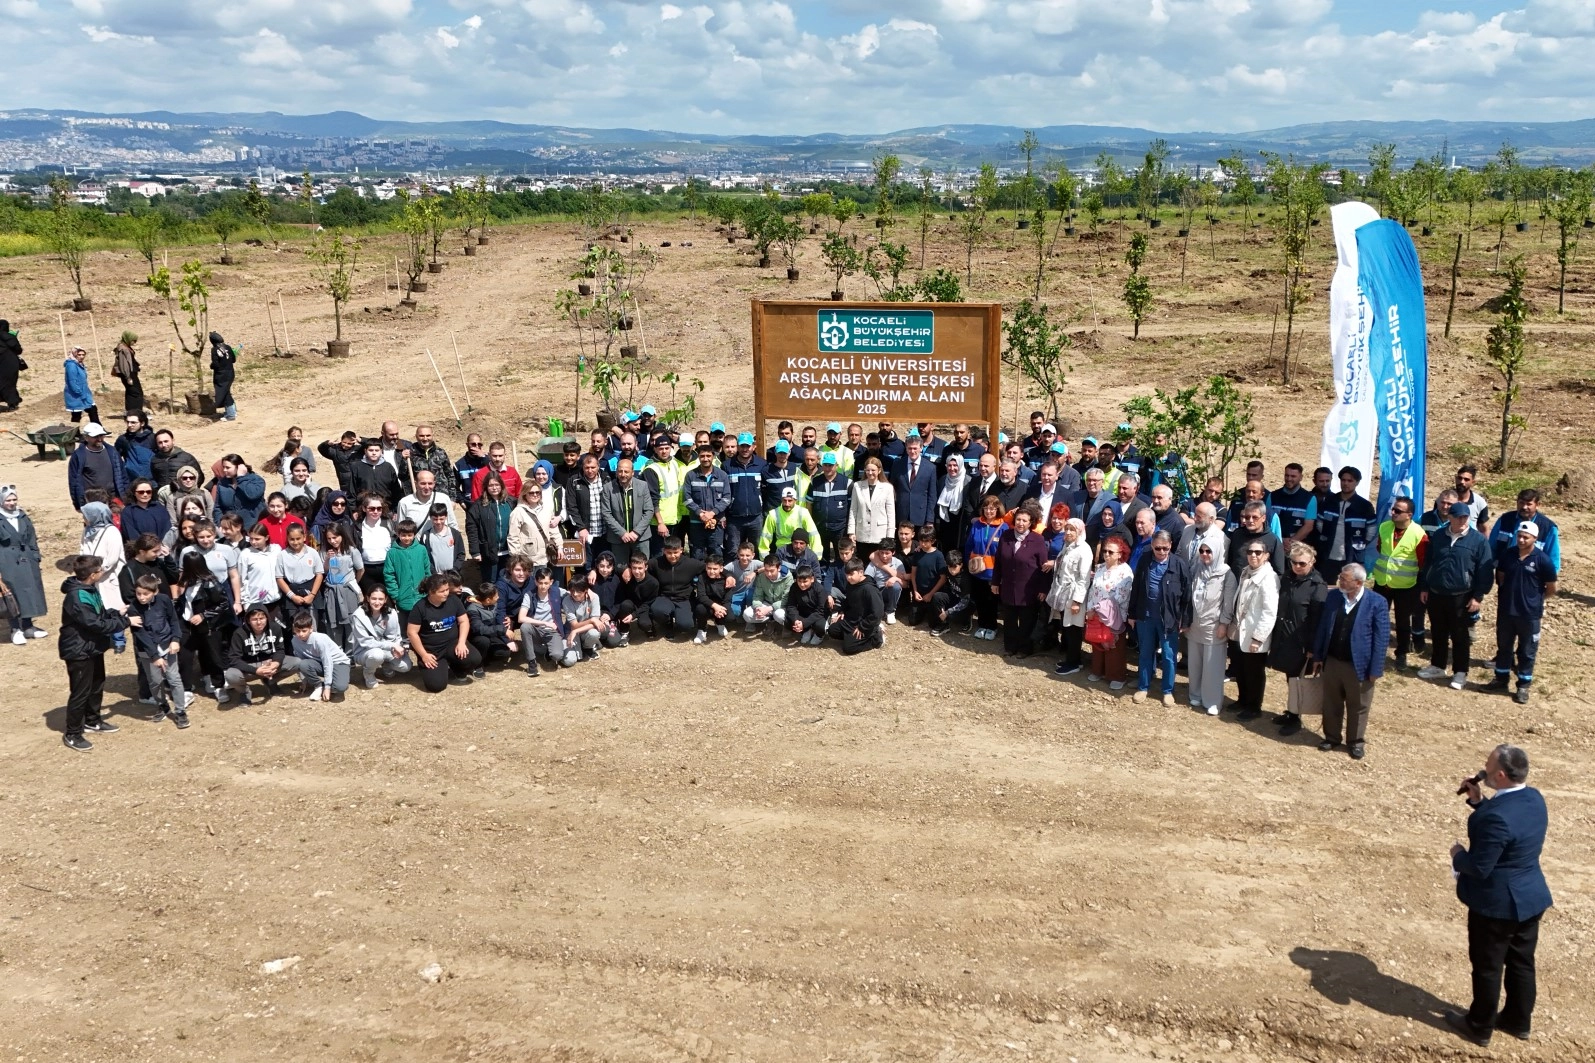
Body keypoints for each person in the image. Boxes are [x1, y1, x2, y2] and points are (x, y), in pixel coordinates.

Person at [1446, 744, 1552, 1047]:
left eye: (1488, 769)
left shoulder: (1496, 818)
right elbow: (1508, 829)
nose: (1484, 771)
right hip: (1530, 898)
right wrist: (1479, 801)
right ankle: (1519, 1021)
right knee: (1521, 961)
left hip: (1496, 906)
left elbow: (1479, 867)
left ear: (1502, 775)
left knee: (1488, 965)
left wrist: (1457, 856)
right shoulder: (1534, 798)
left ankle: (1479, 1026)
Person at [1308, 563, 1388, 759]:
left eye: (1344, 579)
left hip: (1359, 665)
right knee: (1331, 702)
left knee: (1358, 705)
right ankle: (1332, 737)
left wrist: (1375, 668)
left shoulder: (1377, 602)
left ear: (1359, 583)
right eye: (1340, 577)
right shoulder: (1334, 597)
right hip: (1333, 661)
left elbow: (1381, 638)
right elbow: (1323, 628)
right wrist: (1318, 656)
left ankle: (1355, 742)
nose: (1339, 581)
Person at [1418, 502, 1495, 691]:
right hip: (1437, 592)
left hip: (1462, 595)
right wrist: (1424, 587)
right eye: (1458, 517)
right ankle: (1438, 665)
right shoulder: (1438, 537)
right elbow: (1429, 563)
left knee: (1460, 636)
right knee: (1438, 631)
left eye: (1465, 517)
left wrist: (1478, 597)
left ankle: (1460, 672)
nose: (1462, 520)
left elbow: (1484, 571)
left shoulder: (1478, 541)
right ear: (1450, 517)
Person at [57, 554, 128, 751]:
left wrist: (116, 613)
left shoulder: (88, 589)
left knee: (97, 684)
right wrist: (125, 622)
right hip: (79, 651)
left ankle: (92, 720)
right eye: (100, 569)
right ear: (93, 574)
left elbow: (100, 613)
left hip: (93, 647)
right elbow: (94, 623)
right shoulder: (77, 596)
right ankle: (73, 733)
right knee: (80, 692)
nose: (103, 571)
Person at [1489, 522, 1558, 704]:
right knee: (1504, 648)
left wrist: (1535, 600)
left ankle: (1523, 686)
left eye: (1525, 537)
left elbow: (1551, 588)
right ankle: (1500, 679)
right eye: (1519, 535)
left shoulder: (1543, 560)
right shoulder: (1508, 555)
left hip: (1529, 614)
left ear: (1534, 539)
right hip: (1506, 611)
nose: (1521, 539)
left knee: (1527, 651)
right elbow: (1500, 577)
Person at [1270, 542, 1329, 736]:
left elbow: (1318, 620)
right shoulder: (1288, 578)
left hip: (1302, 641)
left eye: (1302, 563)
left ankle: (1296, 717)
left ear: (1312, 562)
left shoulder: (1317, 586)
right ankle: (1291, 711)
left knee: (1298, 680)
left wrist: (1313, 647)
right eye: (1293, 562)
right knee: (1290, 678)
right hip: (1285, 637)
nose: (1297, 566)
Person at [1127, 530, 1189, 704]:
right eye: (1158, 548)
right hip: (1145, 616)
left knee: (1169, 655)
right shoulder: (1145, 560)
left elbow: (1187, 594)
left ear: (1170, 546)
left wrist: (1184, 618)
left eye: (1165, 548)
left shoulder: (1178, 564)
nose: (1161, 552)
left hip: (1169, 618)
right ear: (1152, 547)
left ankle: (1167, 690)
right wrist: (1132, 613)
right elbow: (1137, 587)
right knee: (1145, 653)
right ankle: (1143, 686)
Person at [1370, 496, 1427, 671]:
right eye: (1393, 509)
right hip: (1382, 582)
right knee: (1377, 618)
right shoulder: (1384, 527)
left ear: (1409, 515)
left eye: (1398, 511)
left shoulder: (1419, 535)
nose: (1393, 513)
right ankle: (1374, 651)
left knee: (1402, 623)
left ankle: (1401, 653)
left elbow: (1422, 562)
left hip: (1406, 586)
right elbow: (1380, 548)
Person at [126, 573, 188, 725]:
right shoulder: (133, 608)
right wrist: (154, 655)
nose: (142, 597)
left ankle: (180, 711)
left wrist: (175, 639)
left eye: (146, 594)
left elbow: (173, 620)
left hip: (167, 645)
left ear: (155, 592)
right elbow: (140, 634)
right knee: (154, 681)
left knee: (174, 679)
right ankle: (163, 706)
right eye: (138, 593)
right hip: (148, 651)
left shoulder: (164, 600)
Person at [1184, 539, 1237, 715]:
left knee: (1212, 666)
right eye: (1202, 551)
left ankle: (1213, 700)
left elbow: (1228, 603)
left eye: (1209, 551)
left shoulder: (1227, 574)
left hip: (1214, 626)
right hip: (1195, 624)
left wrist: (1224, 623)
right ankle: (1196, 694)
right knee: (1195, 662)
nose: (1205, 555)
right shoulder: (1196, 569)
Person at [991, 500, 1050, 658]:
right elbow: (999, 562)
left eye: (1024, 520)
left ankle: (1025, 649)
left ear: (1031, 522)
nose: (1021, 523)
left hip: (1029, 589)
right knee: (1009, 619)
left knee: (1027, 621)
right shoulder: (1006, 536)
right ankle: (1010, 647)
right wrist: (995, 582)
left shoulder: (1037, 540)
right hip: (1009, 586)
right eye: (1018, 519)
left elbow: (1044, 567)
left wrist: (1043, 590)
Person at [1232, 540, 1280, 720]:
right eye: (1250, 552)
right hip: (1241, 629)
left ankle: (1254, 706)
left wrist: (1258, 638)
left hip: (1254, 633)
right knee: (1241, 668)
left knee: (1254, 672)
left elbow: (1269, 611)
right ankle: (1242, 699)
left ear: (1266, 556)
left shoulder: (1269, 578)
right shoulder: (1247, 571)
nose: (1253, 555)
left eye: (1258, 552)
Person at [409, 573, 482, 689]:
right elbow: (412, 633)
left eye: (447, 589)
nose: (446, 593)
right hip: (432, 650)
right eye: (442, 591)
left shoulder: (453, 600)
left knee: (474, 658)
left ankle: (457, 667)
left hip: (452, 644)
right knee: (436, 686)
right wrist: (424, 655)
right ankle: (434, 667)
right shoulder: (420, 607)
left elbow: (464, 621)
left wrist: (461, 642)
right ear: (431, 592)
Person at [224, 604, 303, 703]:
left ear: (267, 617)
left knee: (297, 662)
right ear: (248, 620)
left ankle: (271, 682)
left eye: (262, 618)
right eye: (254, 619)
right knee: (231, 675)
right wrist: (256, 670)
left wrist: (276, 663)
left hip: (269, 662)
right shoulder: (239, 633)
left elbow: (280, 649)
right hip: (249, 665)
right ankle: (244, 692)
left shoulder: (275, 628)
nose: (259, 622)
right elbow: (234, 659)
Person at [1311, 466, 1377, 583]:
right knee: (1324, 588)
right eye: (1343, 480)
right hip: (1327, 556)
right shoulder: (1329, 501)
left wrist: (1359, 544)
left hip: (1353, 557)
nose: (1346, 483)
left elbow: (1371, 531)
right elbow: (1320, 524)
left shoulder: (1365, 506)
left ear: (1357, 482)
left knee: (1349, 589)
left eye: (1350, 481)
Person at [0, 485, 48, 644]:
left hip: (26, 560)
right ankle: (15, 629)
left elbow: (32, 537)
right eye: (8, 500)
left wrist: (35, 555)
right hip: (7, 561)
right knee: (12, 594)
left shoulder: (22, 516)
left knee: (29, 592)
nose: (12, 503)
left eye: (14, 499)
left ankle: (28, 626)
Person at [1084, 537, 1133, 689]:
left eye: (1110, 552)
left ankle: (1117, 676)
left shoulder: (1125, 572)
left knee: (1113, 646)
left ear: (1120, 554)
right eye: (1105, 551)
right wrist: (1090, 609)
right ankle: (1098, 671)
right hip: (1096, 614)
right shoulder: (1100, 569)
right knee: (1098, 641)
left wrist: (1098, 610)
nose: (1106, 554)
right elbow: (1093, 591)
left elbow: (1120, 596)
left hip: (1113, 615)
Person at [352, 585, 412, 688]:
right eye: (374, 598)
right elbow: (366, 642)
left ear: (385, 600)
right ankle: (369, 673)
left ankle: (386, 664)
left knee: (405, 666)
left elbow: (395, 636)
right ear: (367, 598)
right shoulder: (358, 615)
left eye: (380, 599)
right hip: (364, 650)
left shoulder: (391, 613)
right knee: (377, 655)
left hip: (386, 648)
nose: (377, 602)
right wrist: (391, 645)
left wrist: (397, 647)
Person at [964, 494, 1005, 641]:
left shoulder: (1003, 527)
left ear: (998, 509)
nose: (989, 511)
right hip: (977, 571)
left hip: (993, 572)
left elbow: (1004, 552)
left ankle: (992, 626)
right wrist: (967, 563)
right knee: (980, 599)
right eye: (986, 508)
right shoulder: (977, 525)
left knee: (992, 601)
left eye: (992, 509)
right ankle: (982, 625)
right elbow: (969, 546)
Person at [516, 566, 573, 672]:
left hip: (552, 631)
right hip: (536, 629)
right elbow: (521, 618)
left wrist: (589, 592)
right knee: (525, 627)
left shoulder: (557, 591)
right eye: (540, 583)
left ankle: (546, 650)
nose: (543, 586)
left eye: (546, 583)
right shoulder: (529, 595)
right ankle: (532, 662)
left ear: (551, 582)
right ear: (536, 582)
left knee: (557, 655)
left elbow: (574, 592)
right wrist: (545, 623)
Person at [317, 521, 364, 651]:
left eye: (335, 537)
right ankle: (336, 652)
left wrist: (352, 583)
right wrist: (326, 559)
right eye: (329, 538)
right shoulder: (323, 551)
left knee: (350, 623)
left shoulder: (351, 550)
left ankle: (351, 654)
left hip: (347, 590)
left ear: (342, 535)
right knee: (333, 623)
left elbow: (360, 569)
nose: (333, 541)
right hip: (331, 591)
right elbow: (323, 571)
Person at [289, 610, 350, 700]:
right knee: (303, 664)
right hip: (319, 663)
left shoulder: (320, 640)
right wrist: (304, 680)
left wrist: (328, 687)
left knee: (340, 687)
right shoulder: (294, 641)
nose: (300, 634)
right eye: (297, 631)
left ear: (311, 629)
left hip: (338, 662)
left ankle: (332, 682)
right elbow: (301, 661)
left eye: (304, 631)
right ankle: (318, 686)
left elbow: (327, 662)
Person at [465, 472, 514, 586]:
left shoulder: (511, 502)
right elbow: (472, 529)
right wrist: (475, 551)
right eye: (491, 485)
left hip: (509, 552)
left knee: (508, 582)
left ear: (502, 485)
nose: (494, 488)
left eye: (497, 484)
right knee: (491, 583)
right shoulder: (478, 506)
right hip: (488, 553)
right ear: (486, 487)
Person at [829, 557, 885, 655]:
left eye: (851, 574)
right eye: (847, 574)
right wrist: (843, 611)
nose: (848, 577)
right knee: (832, 630)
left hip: (864, 624)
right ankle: (852, 637)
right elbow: (848, 600)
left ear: (861, 572)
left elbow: (877, 613)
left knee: (848, 648)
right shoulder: (851, 584)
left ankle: (877, 639)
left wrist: (862, 627)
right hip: (851, 620)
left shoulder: (869, 589)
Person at [66, 423, 129, 511]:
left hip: (113, 499)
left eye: (101, 436)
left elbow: (122, 475)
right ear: (86, 437)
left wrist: (126, 497)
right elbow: (74, 481)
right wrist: (78, 503)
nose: (99, 439)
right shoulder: (79, 456)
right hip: (92, 500)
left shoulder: (112, 452)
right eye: (95, 436)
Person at [383, 518, 432, 628]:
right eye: (403, 535)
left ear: (414, 534)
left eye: (410, 535)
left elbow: (427, 571)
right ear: (398, 534)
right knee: (405, 624)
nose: (406, 538)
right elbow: (389, 575)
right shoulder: (392, 552)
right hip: (403, 596)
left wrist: (428, 589)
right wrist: (395, 594)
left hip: (421, 595)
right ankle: (405, 641)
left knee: (422, 623)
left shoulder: (421, 549)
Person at [602, 457, 655, 559]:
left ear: (632, 472)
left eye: (626, 471)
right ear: (616, 472)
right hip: (618, 538)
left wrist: (636, 532)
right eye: (620, 471)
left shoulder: (642, 486)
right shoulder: (608, 488)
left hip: (640, 537)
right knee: (621, 570)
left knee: (641, 568)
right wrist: (622, 533)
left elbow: (649, 511)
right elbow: (606, 513)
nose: (623, 474)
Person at [508, 481, 562, 569]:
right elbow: (513, 537)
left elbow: (553, 530)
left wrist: (560, 546)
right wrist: (517, 558)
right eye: (531, 493)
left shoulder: (547, 510)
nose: (535, 495)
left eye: (538, 492)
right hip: (526, 559)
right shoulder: (518, 512)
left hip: (544, 557)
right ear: (525, 494)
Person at [744, 552, 792, 633]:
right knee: (747, 614)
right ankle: (769, 621)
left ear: (779, 568)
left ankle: (779, 623)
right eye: (766, 570)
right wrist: (758, 607)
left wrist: (769, 608)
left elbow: (786, 599)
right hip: (766, 603)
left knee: (779, 616)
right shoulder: (761, 576)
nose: (769, 574)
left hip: (781, 605)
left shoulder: (788, 578)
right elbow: (758, 595)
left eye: (772, 571)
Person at [115, 411, 157, 482]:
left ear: (142, 423)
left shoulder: (153, 438)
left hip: (152, 481)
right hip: (132, 481)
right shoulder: (123, 439)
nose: (129, 425)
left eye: (133, 422)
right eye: (127, 422)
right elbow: (115, 458)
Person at [110, 329, 144, 413]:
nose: (134, 343)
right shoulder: (123, 349)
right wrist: (128, 377)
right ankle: (137, 413)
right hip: (128, 374)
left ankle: (131, 412)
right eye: (133, 340)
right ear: (128, 338)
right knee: (136, 393)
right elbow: (124, 364)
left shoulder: (125, 347)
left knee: (131, 392)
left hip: (130, 373)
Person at [63, 346, 99, 426]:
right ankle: (75, 433)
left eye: (83, 354)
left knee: (92, 409)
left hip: (84, 393)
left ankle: (98, 429)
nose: (82, 357)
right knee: (76, 415)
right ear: (75, 354)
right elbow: (72, 381)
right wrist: (79, 392)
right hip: (75, 395)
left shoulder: (79, 364)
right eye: (79, 354)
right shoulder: (71, 365)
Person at [208, 331, 237, 420]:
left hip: (221, 375)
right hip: (230, 373)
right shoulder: (227, 347)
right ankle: (232, 411)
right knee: (226, 391)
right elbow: (233, 360)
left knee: (224, 393)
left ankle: (231, 415)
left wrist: (211, 366)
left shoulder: (215, 349)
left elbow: (215, 364)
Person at [0, 318, 21, 410]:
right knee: (10, 383)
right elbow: (18, 350)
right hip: (11, 363)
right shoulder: (10, 337)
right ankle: (12, 403)